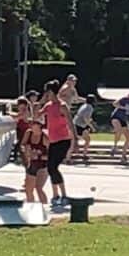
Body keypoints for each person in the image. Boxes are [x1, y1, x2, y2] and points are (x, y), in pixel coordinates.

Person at [41, 80, 76, 208]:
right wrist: (39, 103)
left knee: (53, 167)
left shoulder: (62, 106)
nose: (46, 94)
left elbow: (70, 123)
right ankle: (55, 195)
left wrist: (75, 140)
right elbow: (36, 117)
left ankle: (64, 195)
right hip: (53, 141)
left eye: (47, 92)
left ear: (51, 92)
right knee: (50, 168)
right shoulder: (48, 106)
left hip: (63, 140)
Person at [20, 118, 50, 205]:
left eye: (36, 127)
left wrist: (39, 156)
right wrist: (25, 149)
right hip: (32, 164)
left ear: (40, 127)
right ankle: (31, 207)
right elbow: (22, 144)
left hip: (43, 165)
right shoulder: (28, 133)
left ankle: (44, 207)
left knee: (38, 187)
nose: (34, 129)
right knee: (28, 189)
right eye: (33, 126)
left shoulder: (45, 138)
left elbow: (52, 155)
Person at [110, 89, 129, 165]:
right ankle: (115, 146)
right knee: (119, 130)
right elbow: (114, 103)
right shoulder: (125, 99)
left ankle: (123, 156)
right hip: (116, 117)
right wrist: (123, 107)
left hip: (124, 119)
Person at [72, 95, 96, 164]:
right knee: (79, 140)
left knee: (87, 139)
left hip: (78, 124)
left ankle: (84, 154)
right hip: (80, 125)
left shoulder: (84, 105)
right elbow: (86, 119)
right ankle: (82, 154)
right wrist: (92, 127)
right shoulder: (90, 107)